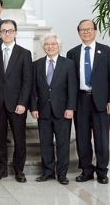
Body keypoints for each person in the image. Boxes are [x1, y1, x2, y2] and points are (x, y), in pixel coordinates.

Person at [66, 19, 110, 185]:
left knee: (102, 138)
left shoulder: (107, 51)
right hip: (80, 100)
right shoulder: (72, 53)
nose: (86, 32)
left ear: (95, 31)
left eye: (89, 29)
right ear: (78, 32)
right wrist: (70, 104)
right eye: (82, 30)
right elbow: (70, 81)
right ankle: (86, 170)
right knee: (82, 138)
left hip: (101, 101)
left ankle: (102, 171)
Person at [0, 20, 33, 183]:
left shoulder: (24, 53)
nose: (7, 33)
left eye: (10, 30)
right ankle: (1, 169)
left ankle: (19, 170)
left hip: (17, 104)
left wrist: (23, 103)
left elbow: (27, 81)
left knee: (19, 139)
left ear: (15, 33)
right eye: (4, 31)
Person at [31, 33, 77, 185]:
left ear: (59, 46)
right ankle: (47, 172)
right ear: (43, 47)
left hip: (63, 111)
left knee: (63, 144)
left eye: (53, 44)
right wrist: (33, 108)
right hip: (43, 110)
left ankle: (62, 174)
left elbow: (72, 88)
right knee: (45, 143)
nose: (50, 47)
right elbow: (33, 89)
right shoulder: (36, 65)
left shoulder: (68, 64)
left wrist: (70, 108)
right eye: (47, 44)